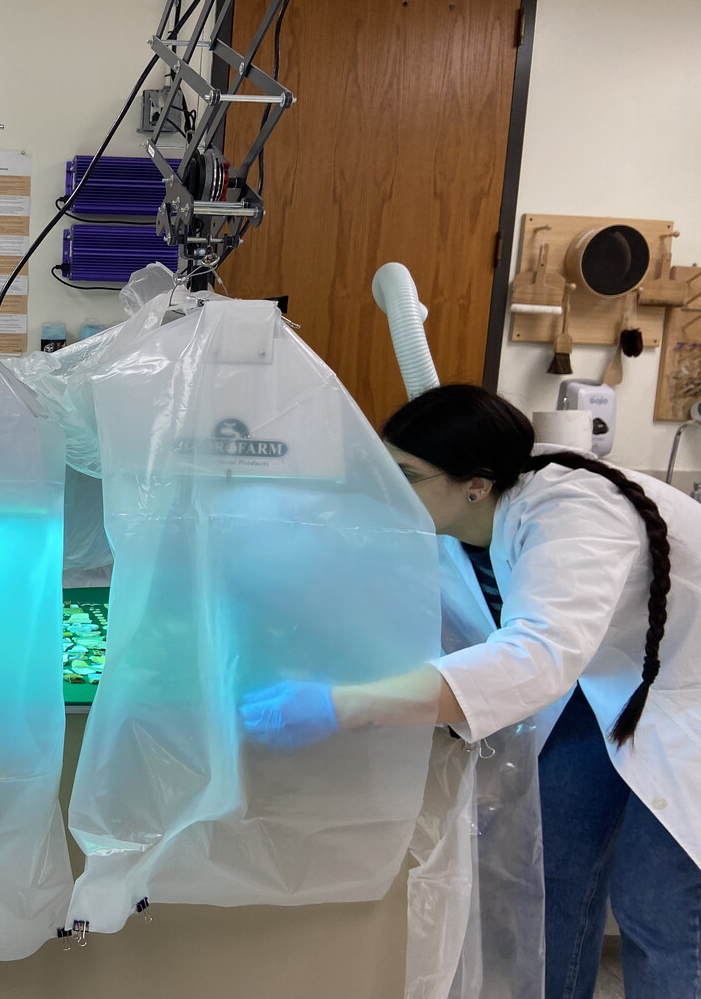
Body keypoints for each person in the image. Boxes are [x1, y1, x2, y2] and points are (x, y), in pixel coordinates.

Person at [240, 383, 701, 998]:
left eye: (405, 475)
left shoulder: (572, 512)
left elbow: (537, 655)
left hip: (683, 695)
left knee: (657, 904)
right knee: (550, 869)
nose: (389, 491)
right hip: (610, 683)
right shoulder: (457, 522)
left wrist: (338, 707)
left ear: (476, 484)